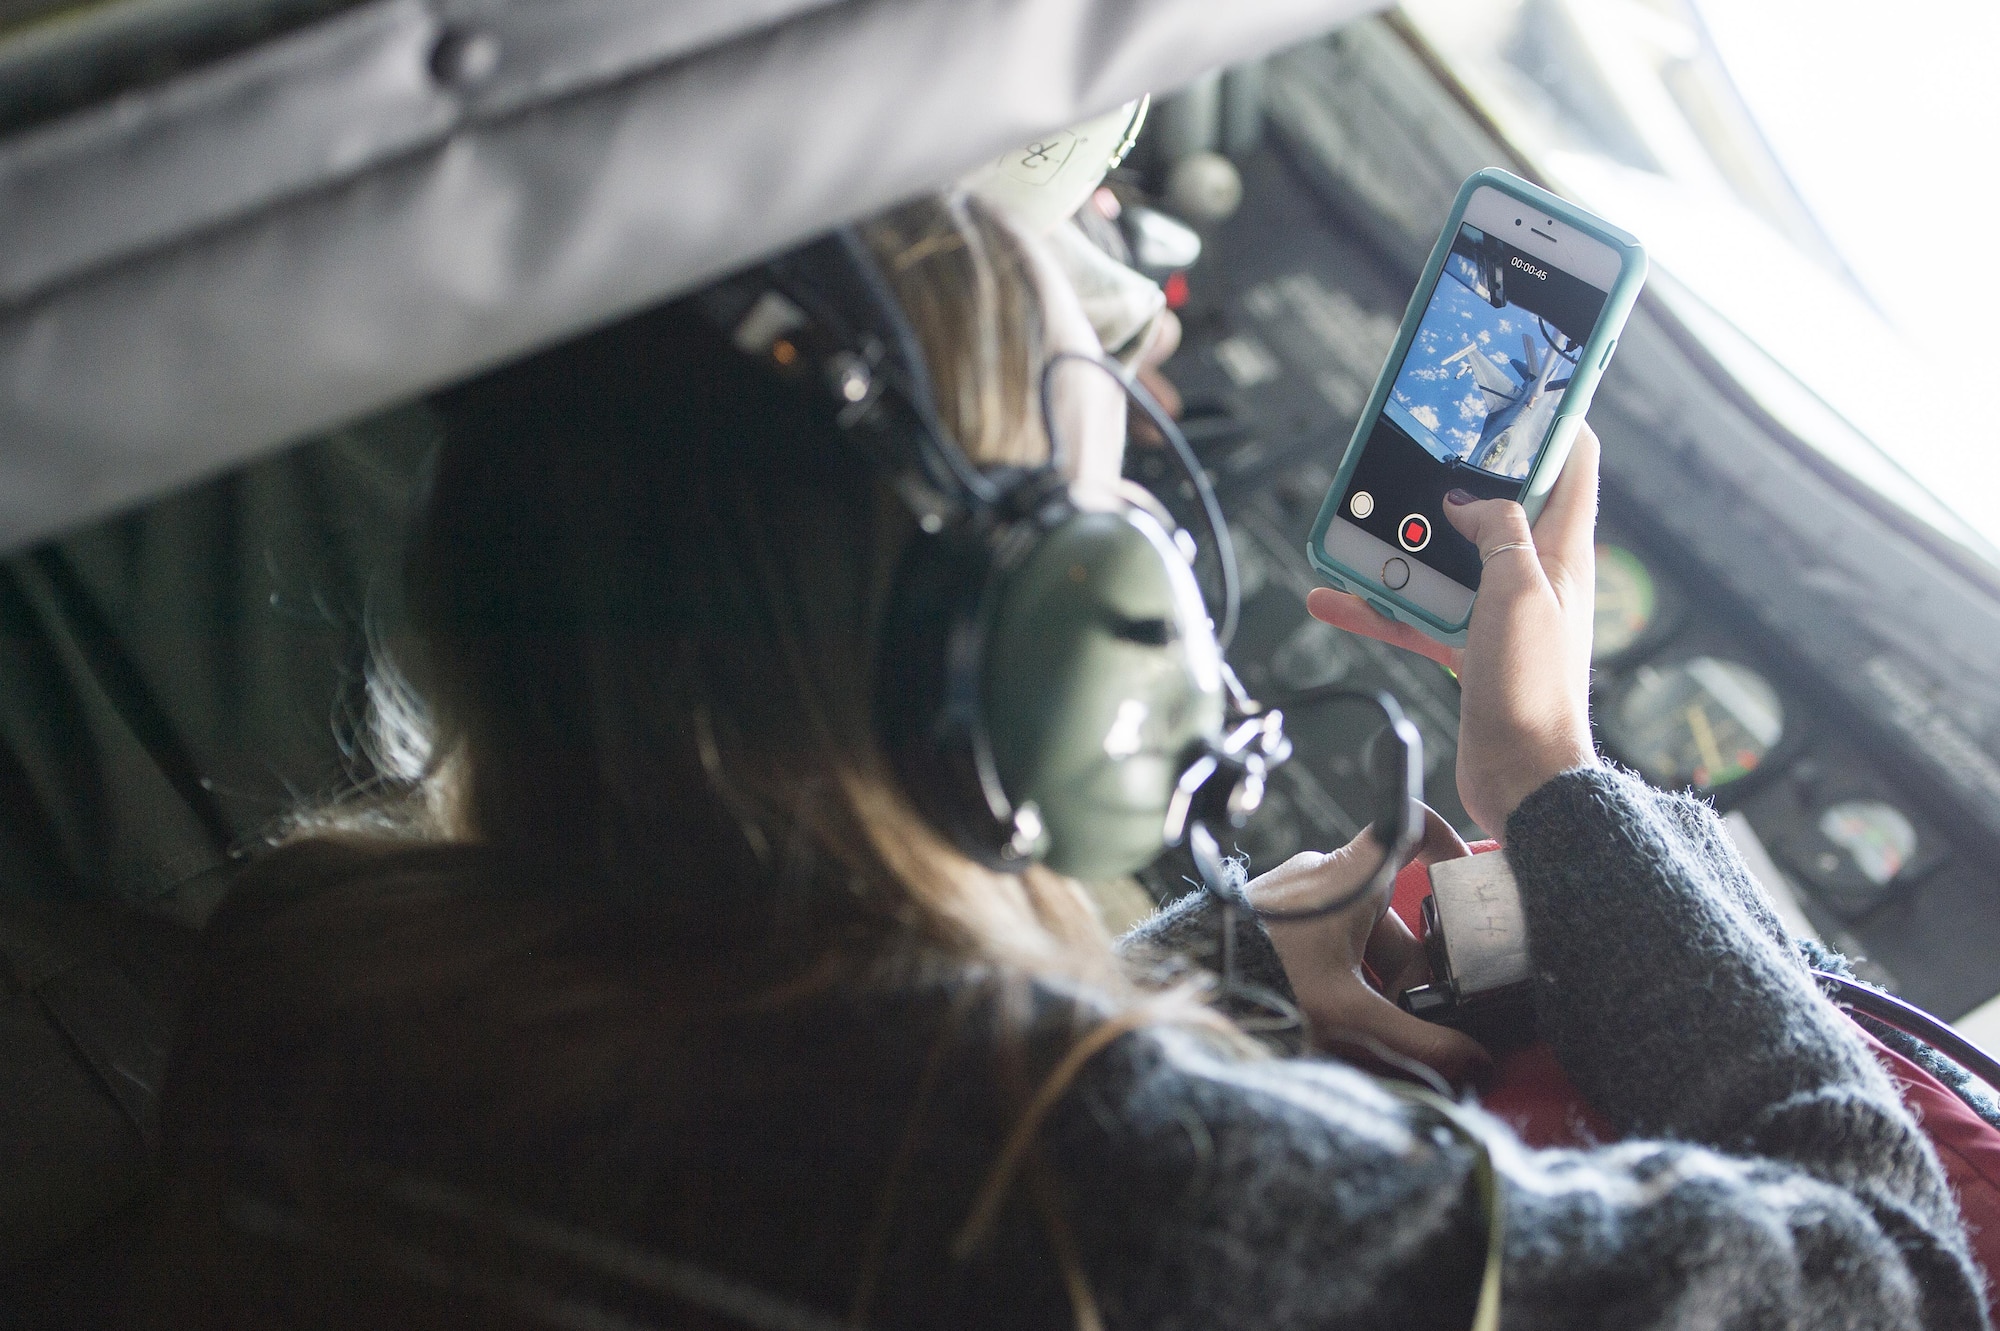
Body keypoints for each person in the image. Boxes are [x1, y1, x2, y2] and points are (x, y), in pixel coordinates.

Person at [129, 194, 1986, 1330]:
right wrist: (1554, 786)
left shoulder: (314, 973)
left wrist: (1209, 965)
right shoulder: (1122, 1199)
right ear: (1027, 652)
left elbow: (772, 1114)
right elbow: (1888, 1286)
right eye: (1109, 508)